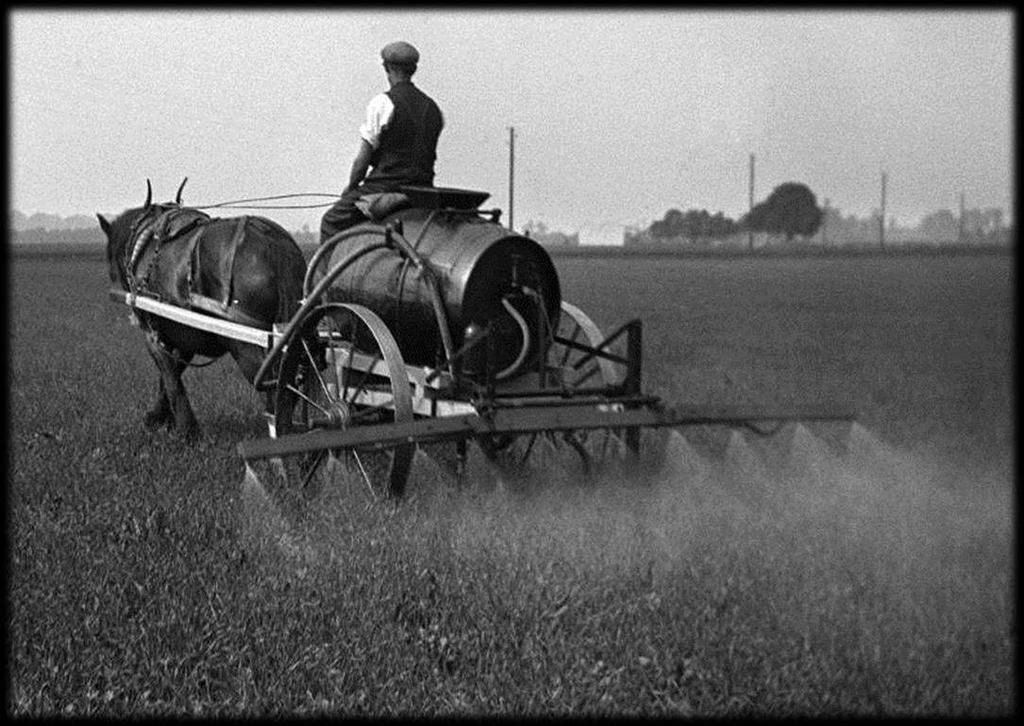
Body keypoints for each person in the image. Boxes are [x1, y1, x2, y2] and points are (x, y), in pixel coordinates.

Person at [320, 41, 444, 244]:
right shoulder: (433, 108)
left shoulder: (382, 103)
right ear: (413, 70)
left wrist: (351, 187)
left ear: (387, 69)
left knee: (331, 221)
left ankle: (324, 275)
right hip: (423, 191)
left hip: (385, 187)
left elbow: (362, 161)